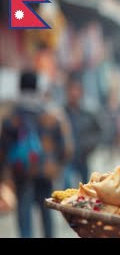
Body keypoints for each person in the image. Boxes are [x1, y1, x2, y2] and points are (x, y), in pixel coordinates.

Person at [0, 69, 71, 237]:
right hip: (46, 171)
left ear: (20, 87)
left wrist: (4, 175)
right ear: (38, 87)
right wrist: (57, 166)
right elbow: (66, 147)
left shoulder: (11, 117)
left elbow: (2, 150)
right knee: (47, 210)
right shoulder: (52, 115)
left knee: (24, 212)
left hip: (21, 171)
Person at [63, 73, 102, 188]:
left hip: (83, 157)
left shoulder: (88, 113)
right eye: (71, 89)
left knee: (86, 187)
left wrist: (88, 145)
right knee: (67, 188)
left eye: (77, 90)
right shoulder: (62, 113)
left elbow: (99, 132)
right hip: (67, 159)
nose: (74, 93)